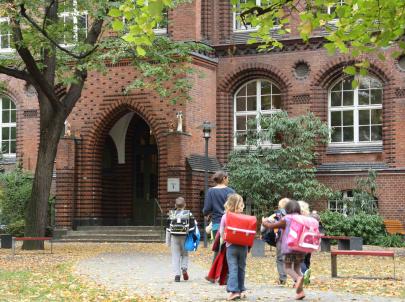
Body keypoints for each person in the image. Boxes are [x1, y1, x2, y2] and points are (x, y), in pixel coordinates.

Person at [262, 199, 307, 300]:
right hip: (300, 248)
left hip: (290, 248)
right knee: (297, 269)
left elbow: (271, 226)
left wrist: (264, 223)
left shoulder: (286, 219)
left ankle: (298, 279)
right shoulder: (302, 219)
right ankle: (300, 292)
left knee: (287, 268)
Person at [219, 193, 248, 301]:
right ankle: (242, 289)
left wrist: (225, 239)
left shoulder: (225, 216)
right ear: (240, 205)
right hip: (243, 246)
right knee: (241, 268)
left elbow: (221, 232)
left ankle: (234, 291)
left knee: (233, 268)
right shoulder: (244, 217)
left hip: (231, 246)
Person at [166, 197, 196, 282]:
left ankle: (177, 275)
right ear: (185, 205)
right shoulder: (189, 214)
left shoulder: (171, 214)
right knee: (185, 254)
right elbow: (192, 227)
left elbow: (167, 229)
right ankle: (184, 268)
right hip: (185, 237)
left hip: (174, 237)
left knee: (175, 256)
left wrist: (167, 242)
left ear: (175, 205)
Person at [261, 197, 289, 284]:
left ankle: (283, 278)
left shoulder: (276, 215)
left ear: (280, 206)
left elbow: (265, 225)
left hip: (280, 239)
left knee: (280, 259)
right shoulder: (295, 214)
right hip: (292, 239)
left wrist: (264, 221)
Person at [203, 170, 235, 244]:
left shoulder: (210, 191)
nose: (228, 180)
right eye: (227, 178)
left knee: (217, 250)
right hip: (230, 224)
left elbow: (207, 209)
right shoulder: (231, 191)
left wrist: (206, 215)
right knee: (229, 248)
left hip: (217, 224)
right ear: (224, 178)